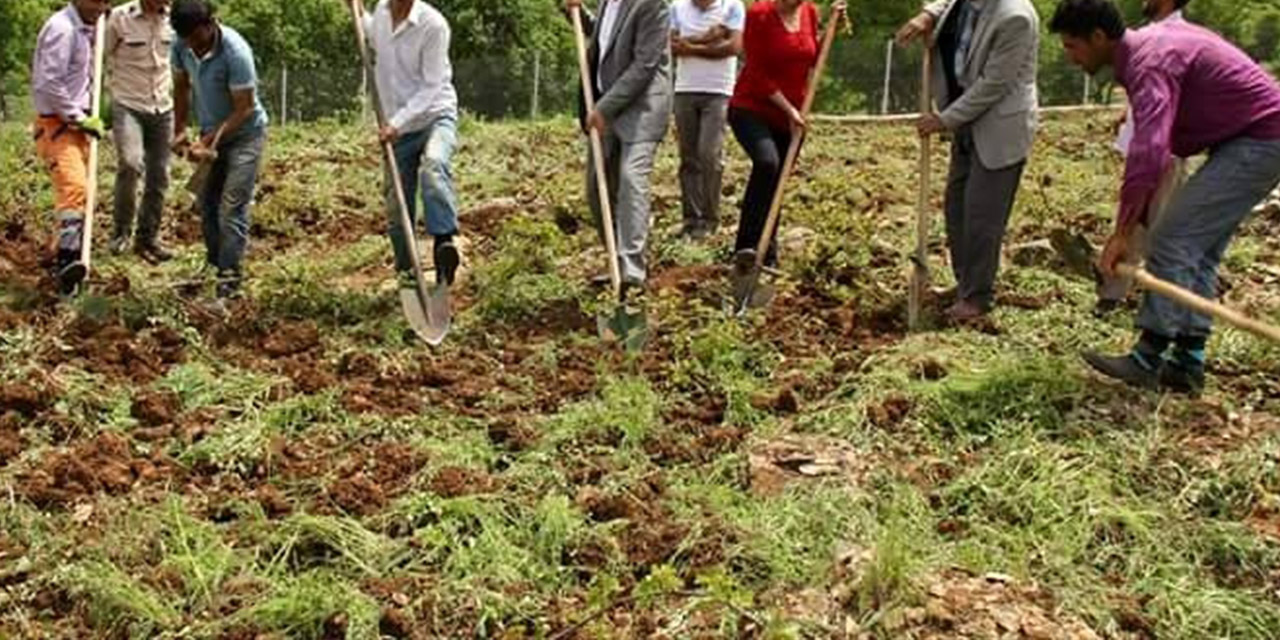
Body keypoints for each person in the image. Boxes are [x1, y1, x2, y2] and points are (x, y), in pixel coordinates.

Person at [1049, 0, 1280, 394]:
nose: (1071, 57)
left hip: (1260, 139)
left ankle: (1147, 356)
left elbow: (1150, 151)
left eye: (1073, 46)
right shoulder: (1148, 48)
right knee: (1198, 249)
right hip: (1250, 137)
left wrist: (1122, 232)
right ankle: (1188, 361)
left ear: (1098, 37)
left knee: (1173, 240)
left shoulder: (1148, 61)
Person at [896, 0, 1041, 322]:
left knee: (982, 217)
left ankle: (977, 298)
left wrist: (944, 119)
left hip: (999, 126)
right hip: (967, 122)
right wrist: (927, 15)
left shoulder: (1015, 17)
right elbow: (947, 2)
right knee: (956, 208)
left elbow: (993, 85)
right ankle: (966, 284)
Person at [567, 0, 673, 300]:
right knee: (595, 189)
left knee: (631, 178)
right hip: (606, 106)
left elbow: (644, 65)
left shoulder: (653, 5)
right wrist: (575, 12)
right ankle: (616, 259)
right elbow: (604, 37)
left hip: (642, 108)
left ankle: (632, 272)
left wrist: (604, 108)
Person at [170, 0, 269, 301]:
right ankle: (215, 266)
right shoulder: (180, 44)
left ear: (211, 23)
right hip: (209, 133)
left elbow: (244, 108)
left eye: (197, 39)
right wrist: (179, 130)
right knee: (207, 205)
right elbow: (181, 87)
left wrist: (207, 141)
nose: (194, 47)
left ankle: (230, 280)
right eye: (188, 40)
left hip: (246, 136)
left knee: (231, 207)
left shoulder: (236, 52)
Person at [1096, 0, 1190, 315]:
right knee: (1133, 221)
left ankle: (1168, 305)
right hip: (1143, 145)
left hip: (1164, 148)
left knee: (1160, 226)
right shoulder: (1151, 33)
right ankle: (1112, 294)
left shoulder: (1175, 37)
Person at [726, 0, 833, 275]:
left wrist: (831, 30)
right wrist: (789, 109)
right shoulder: (759, 14)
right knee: (767, 163)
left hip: (791, 117)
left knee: (778, 182)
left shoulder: (809, 12)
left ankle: (767, 253)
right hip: (752, 107)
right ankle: (746, 246)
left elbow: (812, 59)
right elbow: (756, 71)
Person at [362, 0, 461, 290]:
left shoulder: (433, 25)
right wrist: (356, 11)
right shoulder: (381, 13)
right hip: (397, 127)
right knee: (397, 205)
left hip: (434, 116)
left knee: (434, 165)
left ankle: (443, 243)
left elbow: (432, 86)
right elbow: (374, 37)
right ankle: (407, 276)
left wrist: (397, 123)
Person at [31, 0, 113, 296]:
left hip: (77, 125)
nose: (102, 7)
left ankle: (62, 250)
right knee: (74, 188)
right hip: (58, 125)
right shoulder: (62, 30)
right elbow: (50, 83)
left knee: (84, 193)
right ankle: (66, 266)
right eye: (97, 1)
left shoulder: (87, 28)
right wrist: (78, 118)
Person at [106, 0, 175, 263]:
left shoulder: (173, 18)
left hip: (162, 106)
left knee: (160, 174)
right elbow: (98, 56)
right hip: (128, 104)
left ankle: (148, 238)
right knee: (130, 163)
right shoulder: (119, 18)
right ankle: (121, 233)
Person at [670, 0, 744, 240]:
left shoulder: (732, 6)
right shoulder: (677, 7)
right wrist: (708, 39)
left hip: (719, 91)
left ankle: (710, 218)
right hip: (685, 89)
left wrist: (691, 47)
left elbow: (733, 47)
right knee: (688, 157)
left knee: (709, 154)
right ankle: (691, 219)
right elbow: (670, 45)